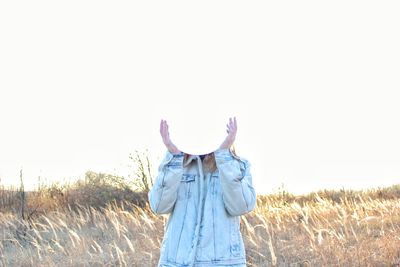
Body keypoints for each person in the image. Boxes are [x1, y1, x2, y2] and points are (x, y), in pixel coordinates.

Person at [148, 117, 257, 267]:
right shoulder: (176, 164)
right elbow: (159, 206)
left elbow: (240, 207)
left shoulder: (237, 164)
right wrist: (174, 155)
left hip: (224, 263)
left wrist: (224, 155)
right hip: (176, 262)